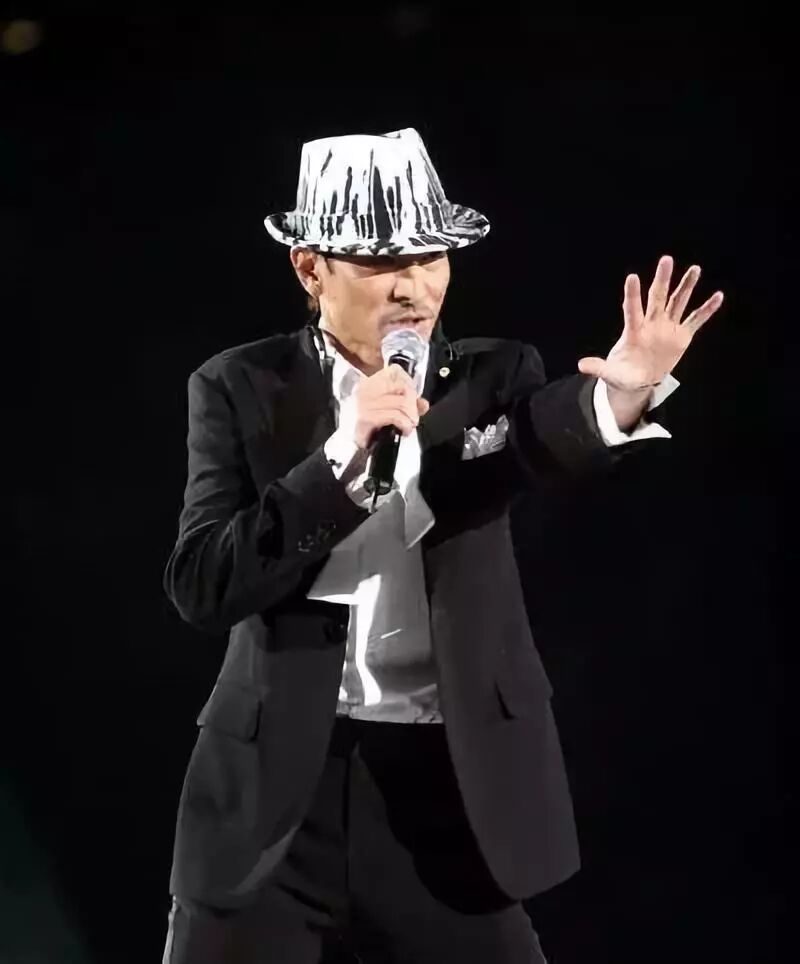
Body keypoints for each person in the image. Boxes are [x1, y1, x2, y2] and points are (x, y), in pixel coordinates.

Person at [160, 127, 723, 964]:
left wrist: (622, 399)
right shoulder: (239, 386)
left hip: (441, 790)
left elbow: (539, 436)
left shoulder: (492, 377)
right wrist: (340, 458)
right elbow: (203, 584)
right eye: (383, 263)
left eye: (431, 258)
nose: (414, 287)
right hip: (273, 803)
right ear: (310, 269)